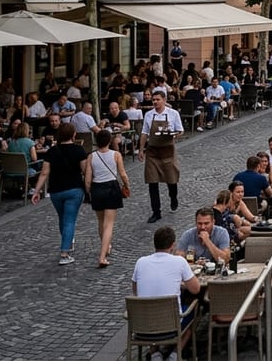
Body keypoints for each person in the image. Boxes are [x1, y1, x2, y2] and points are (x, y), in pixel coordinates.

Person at [133, 225, 201, 361]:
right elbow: (196, 289)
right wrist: (180, 285)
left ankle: (154, 354)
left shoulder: (140, 262)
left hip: (142, 326)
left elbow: (136, 291)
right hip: (171, 326)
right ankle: (175, 354)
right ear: (172, 245)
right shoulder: (179, 262)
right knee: (194, 311)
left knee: (151, 309)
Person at [31, 123, 88, 265]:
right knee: (69, 220)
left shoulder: (51, 152)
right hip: (74, 189)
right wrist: (89, 187)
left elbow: (44, 173)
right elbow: (86, 171)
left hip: (56, 191)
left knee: (62, 218)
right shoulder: (79, 150)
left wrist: (36, 191)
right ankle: (64, 253)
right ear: (73, 134)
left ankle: (68, 243)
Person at [139, 91, 184, 224]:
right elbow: (144, 133)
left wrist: (173, 135)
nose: (155, 102)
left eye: (157, 99)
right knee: (152, 182)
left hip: (167, 151)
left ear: (164, 100)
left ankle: (173, 197)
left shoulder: (173, 114)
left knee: (172, 179)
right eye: (153, 100)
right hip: (152, 152)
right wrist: (141, 149)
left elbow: (180, 130)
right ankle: (156, 212)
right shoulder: (149, 115)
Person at [87, 130, 128, 268]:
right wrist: (127, 186)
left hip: (97, 188)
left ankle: (106, 246)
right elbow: (122, 174)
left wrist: (89, 191)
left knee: (100, 221)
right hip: (111, 188)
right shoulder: (116, 155)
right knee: (109, 224)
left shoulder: (91, 156)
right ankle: (102, 256)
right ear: (109, 141)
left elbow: (87, 179)